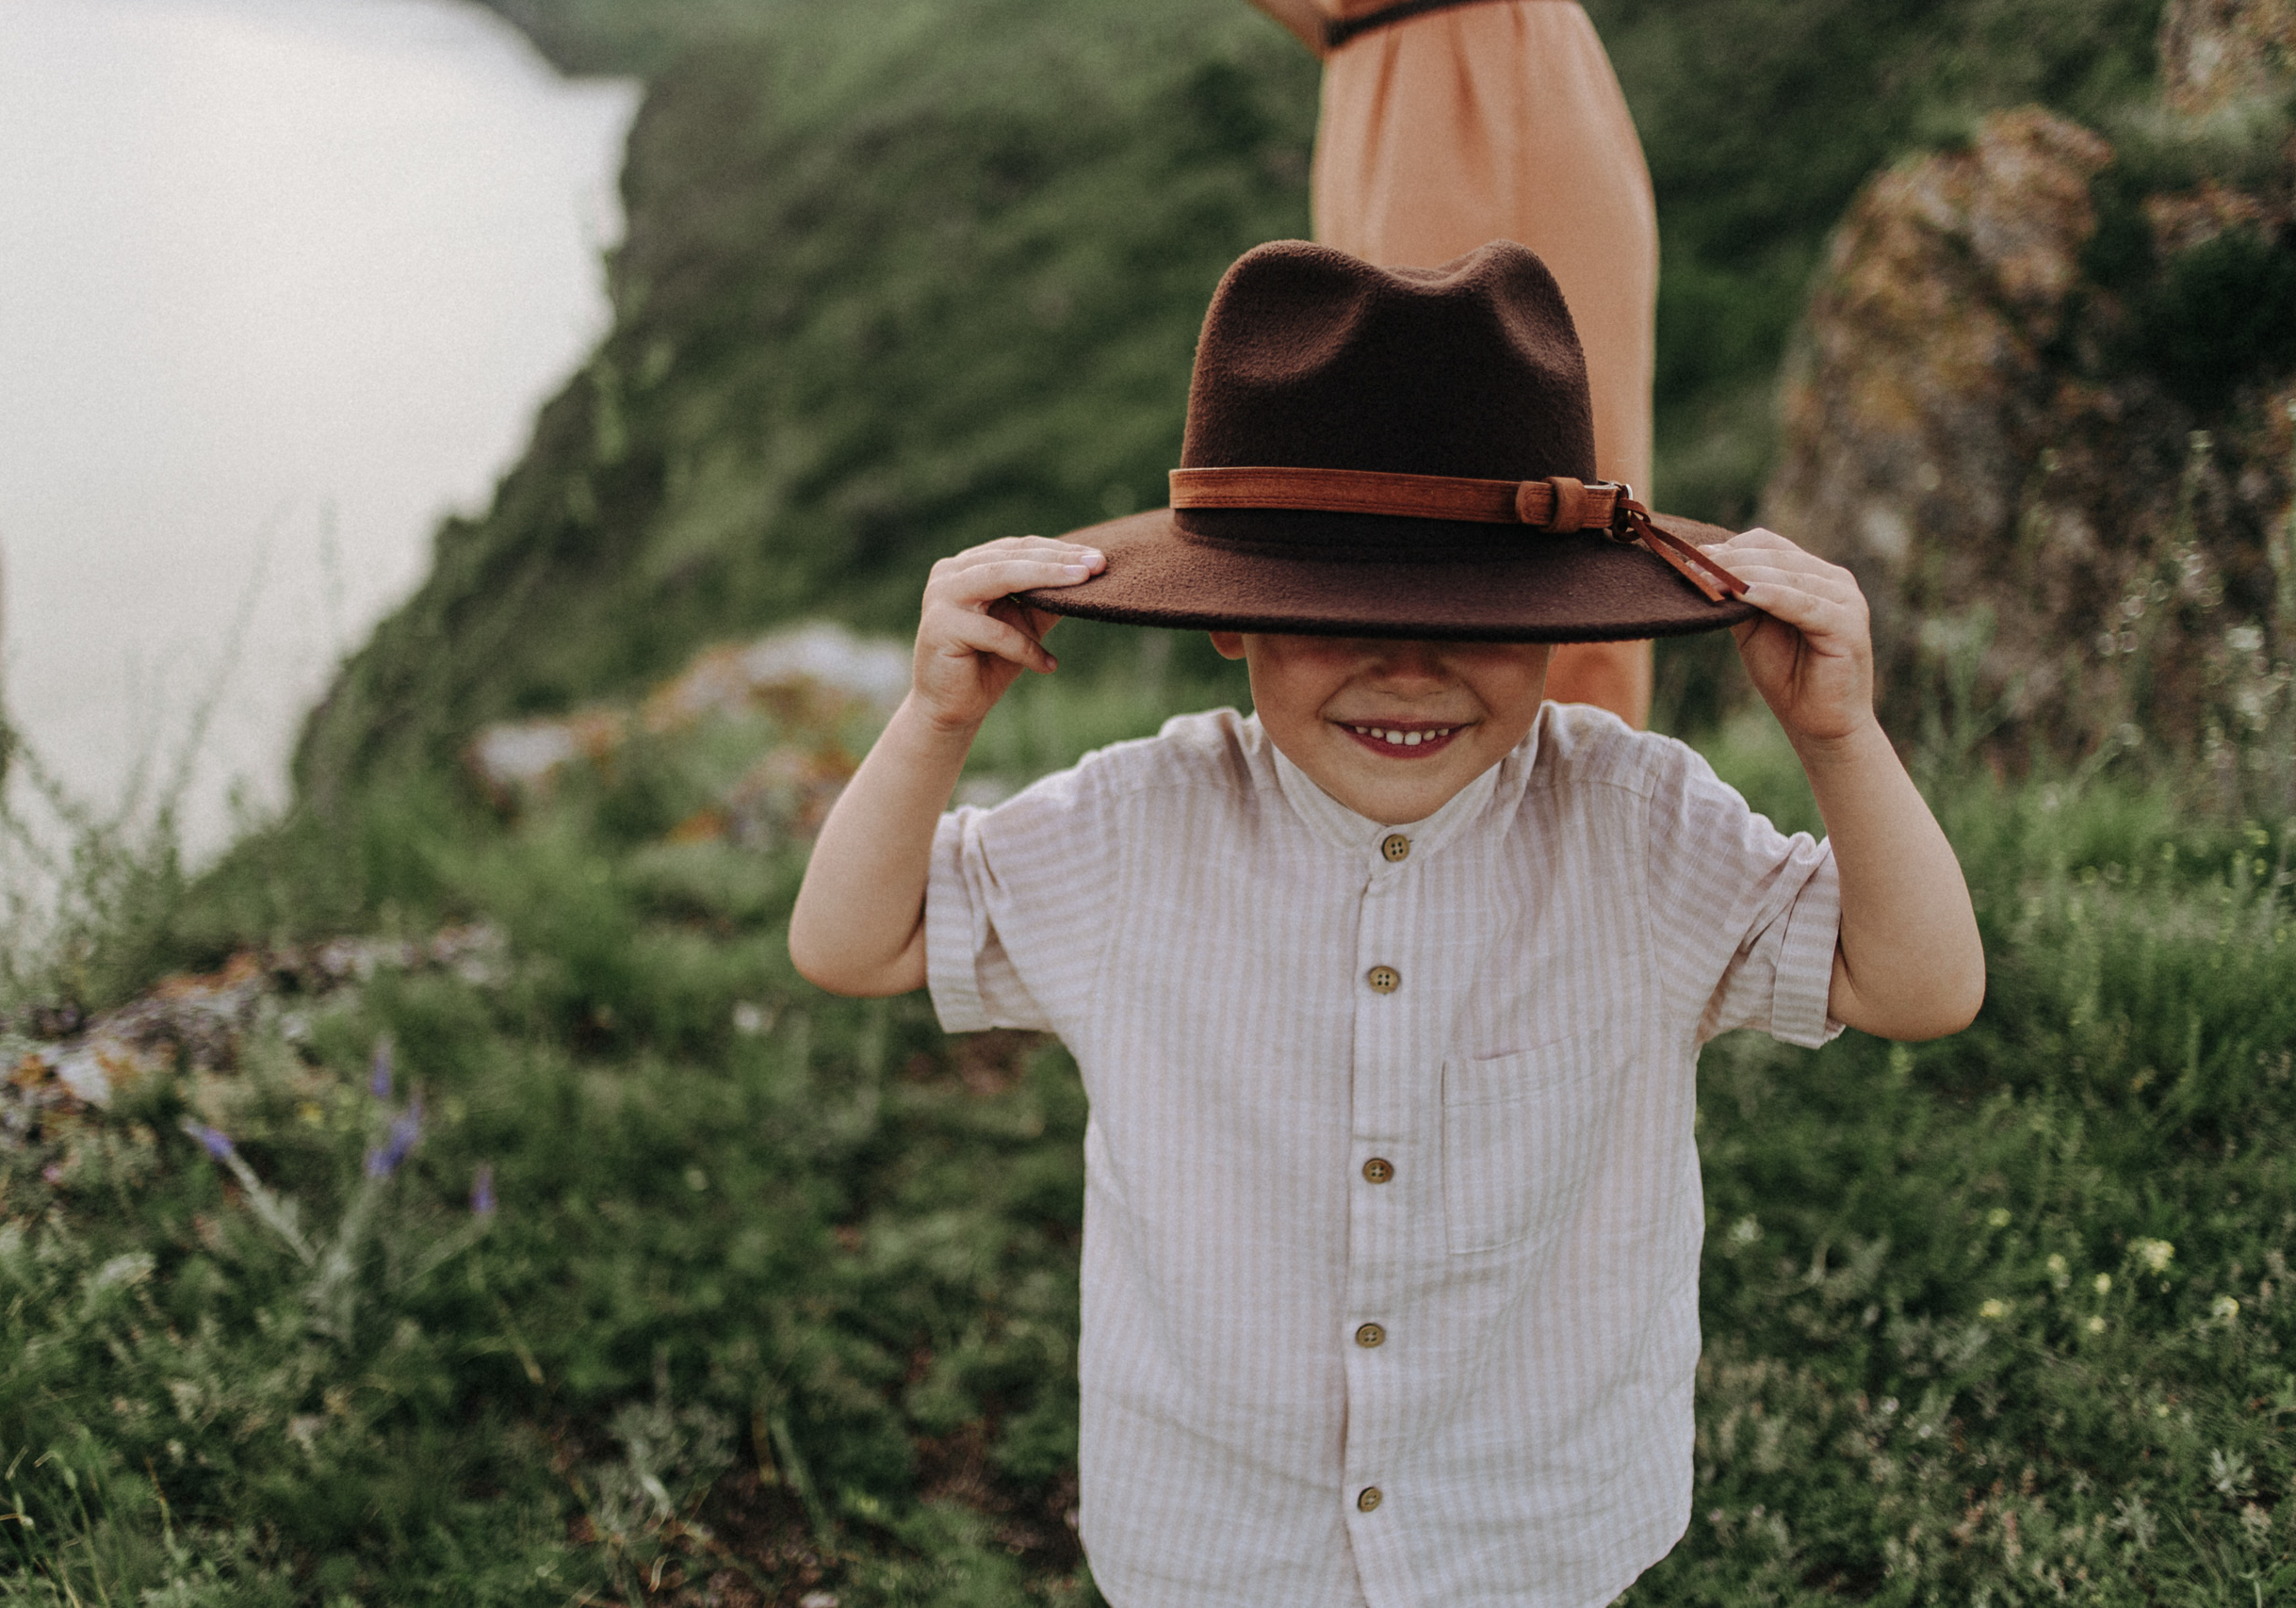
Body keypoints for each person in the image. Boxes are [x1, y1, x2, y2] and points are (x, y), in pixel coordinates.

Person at [790, 240, 1981, 1607]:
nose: (1407, 667)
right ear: (1230, 619)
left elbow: (1919, 984)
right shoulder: (1132, 825)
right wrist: (933, 717)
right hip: (1219, 1544)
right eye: (1336, 610)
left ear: (1558, 623)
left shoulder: (1641, 824)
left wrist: (1838, 735)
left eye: (1476, 616)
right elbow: (852, 941)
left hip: (1529, 1538)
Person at [1245, 0, 1662, 728]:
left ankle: (1576, 777)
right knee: (1394, 492)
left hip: (1490, 61)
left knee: (1551, 475)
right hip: (1372, 76)